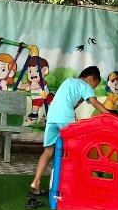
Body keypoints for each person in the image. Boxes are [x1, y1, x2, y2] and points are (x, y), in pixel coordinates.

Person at [28, 66, 109, 201]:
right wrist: (110, 115)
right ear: (90, 79)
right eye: (94, 86)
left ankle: (35, 182)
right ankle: (72, 183)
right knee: (74, 149)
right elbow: (94, 102)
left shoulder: (69, 81)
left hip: (52, 117)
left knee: (48, 151)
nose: (92, 89)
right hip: (65, 116)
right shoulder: (85, 85)